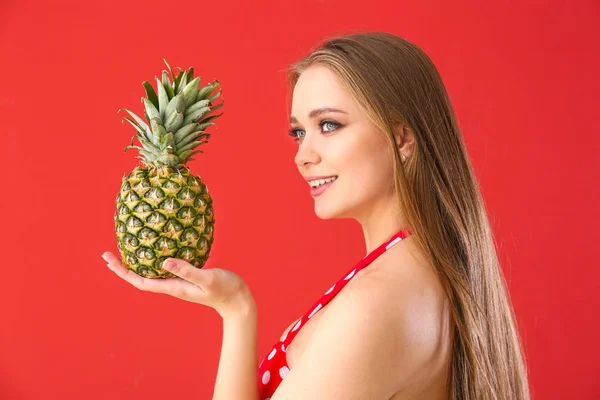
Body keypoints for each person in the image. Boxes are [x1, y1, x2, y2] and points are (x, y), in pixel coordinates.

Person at [103, 31, 530, 399]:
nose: (303, 156)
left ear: (402, 138)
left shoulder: (378, 302)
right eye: (298, 132)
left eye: (329, 125)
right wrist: (235, 309)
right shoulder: (408, 271)